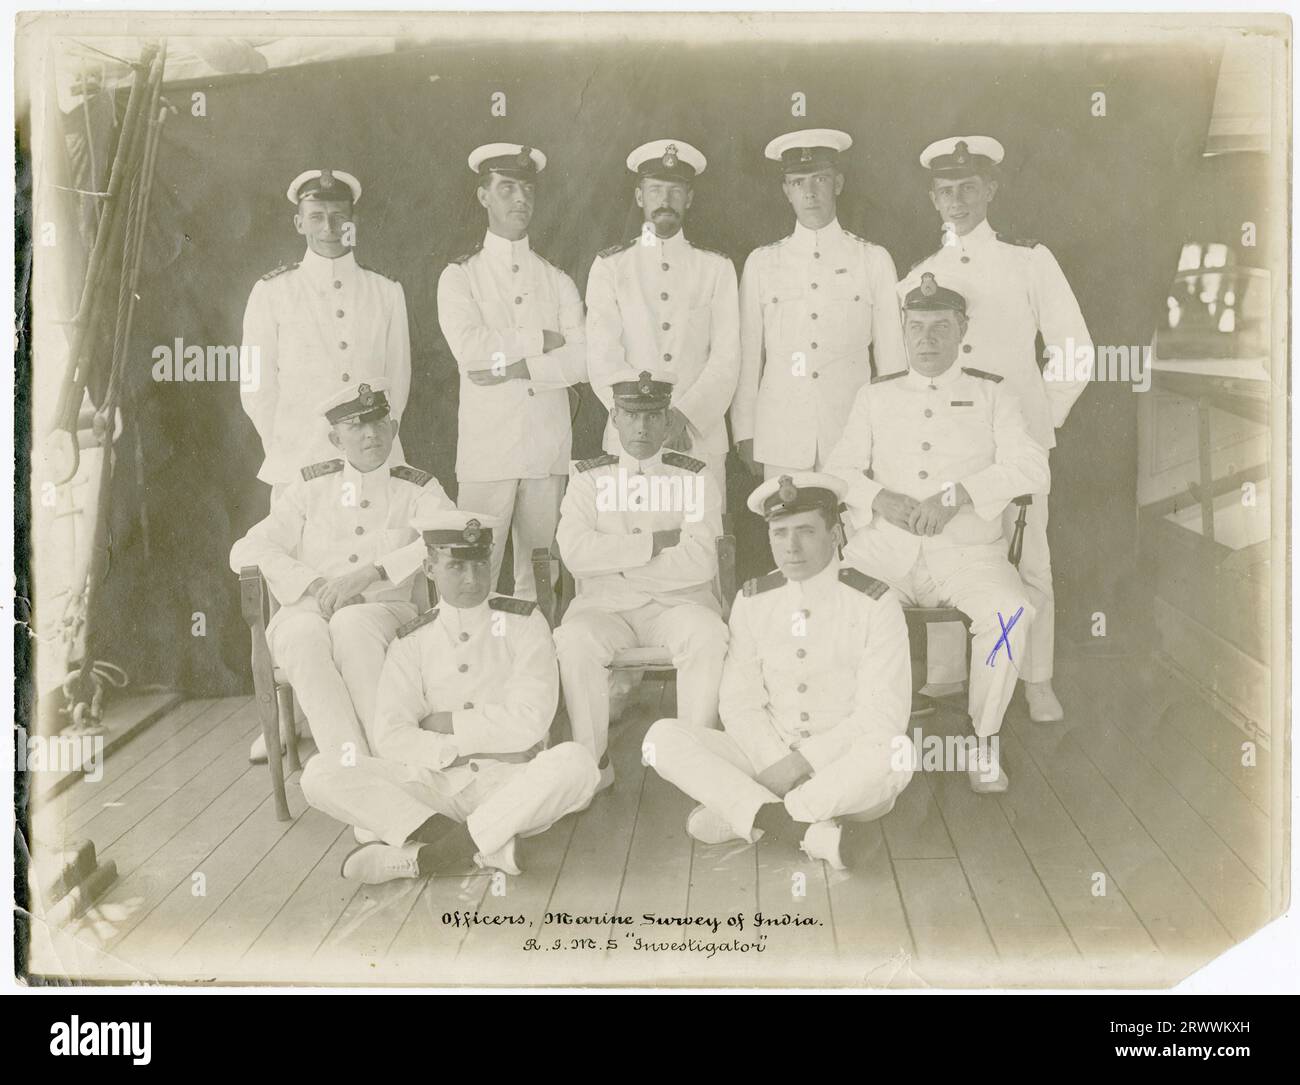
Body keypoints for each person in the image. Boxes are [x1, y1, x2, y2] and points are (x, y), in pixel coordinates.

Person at [825, 273, 1050, 792]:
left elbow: (1033, 469)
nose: (926, 340)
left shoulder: (993, 394)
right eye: (917, 327)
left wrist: (957, 497)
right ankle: (851, 737)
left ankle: (983, 740)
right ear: (903, 331)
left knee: (1010, 617)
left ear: (962, 331)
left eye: (940, 328)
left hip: (969, 556)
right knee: (826, 602)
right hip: (883, 552)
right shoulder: (875, 396)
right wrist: (880, 498)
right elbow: (838, 473)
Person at [898, 136, 1092, 722]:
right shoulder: (921, 274)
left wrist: (1040, 419)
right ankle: (952, 678)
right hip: (954, 449)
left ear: (990, 190)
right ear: (933, 198)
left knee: (1029, 562)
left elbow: (1075, 351)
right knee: (958, 556)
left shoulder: (1028, 260)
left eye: (968, 189)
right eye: (946, 191)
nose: (957, 201)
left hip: (1019, 445)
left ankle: (1036, 678)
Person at [299, 511, 599, 885]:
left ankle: (425, 858)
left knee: (577, 763)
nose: (472, 579)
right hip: (434, 785)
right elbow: (392, 738)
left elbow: (530, 721)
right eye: (456, 566)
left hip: (510, 781)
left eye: (479, 564)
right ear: (429, 567)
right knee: (319, 773)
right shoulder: (411, 641)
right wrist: (466, 751)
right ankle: (487, 845)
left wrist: (445, 724)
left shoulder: (525, 622)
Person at [645, 473, 913, 869]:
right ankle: (801, 828)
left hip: (843, 766)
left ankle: (746, 811)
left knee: (896, 753)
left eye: (805, 531)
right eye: (779, 533)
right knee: (661, 738)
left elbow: (882, 715)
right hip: (765, 758)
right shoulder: (754, 599)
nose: (791, 547)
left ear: (836, 534)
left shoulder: (875, 602)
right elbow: (739, 704)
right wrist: (776, 764)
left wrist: (800, 765)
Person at [229, 379, 453, 764]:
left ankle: (389, 760)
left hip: (382, 613)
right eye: (356, 426)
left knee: (352, 627)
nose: (370, 434)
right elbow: (246, 548)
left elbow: (449, 537)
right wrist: (314, 585)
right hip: (308, 608)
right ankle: (353, 767)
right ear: (335, 439)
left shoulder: (417, 487)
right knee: (301, 636)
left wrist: (375, 571)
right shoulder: (309, 485)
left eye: (379, 423)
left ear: (394, 429)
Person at [553, 371, 728, 791]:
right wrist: (653, 545)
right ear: (614, 418)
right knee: (574, 640)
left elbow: (701, 560)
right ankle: (592, 766)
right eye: (632, 415)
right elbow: (574, 552)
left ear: (668, 421)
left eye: (652, 416)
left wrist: (613, 562)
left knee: (707, 634)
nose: (642, 427)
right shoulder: (587, 478)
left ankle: (695, 762)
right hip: (604, 610)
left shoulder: (695, 477)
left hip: (677, 608)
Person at [437, 142, 588, 600]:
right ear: (483, 196)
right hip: (488, 449)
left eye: (526, 188)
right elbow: (470, 348)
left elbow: (582, 360)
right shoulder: (461, 276)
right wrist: (541, 340)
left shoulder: (555, 279)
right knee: (472, 569)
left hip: (546, 446)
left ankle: (535, 666)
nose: (519, 199)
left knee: (541, 576)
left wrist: (516, 366)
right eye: (506, 188)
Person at [731, 129, 907, 479]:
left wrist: (889, 431)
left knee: (856, 532)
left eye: (820, 179)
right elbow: (749, 357)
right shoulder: (763, 263)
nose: (810, 193)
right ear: (786, 191)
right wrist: (745, 432)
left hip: (853, 433)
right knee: (787, 531)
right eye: (798, 182)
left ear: (838, 183)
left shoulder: (872, 259)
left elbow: (891, 359)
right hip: (780, 434)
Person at [240, 168, 411, 497]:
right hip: (299, 458)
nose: (329, 228)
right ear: (299, 223)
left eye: (338, 217)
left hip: (372, 459)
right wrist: (285, 443)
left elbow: (398, 378)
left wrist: (374, 443)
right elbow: (254, 384)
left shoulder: (386, 290)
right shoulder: (271, 291)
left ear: (353, 221)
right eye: (316, 217)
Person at [585, 139, 739, 499]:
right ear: (640, 197)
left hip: (698, 435)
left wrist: (684, 415)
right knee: (632, 539)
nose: (665, 201)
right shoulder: (611, 266)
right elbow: (602, 353)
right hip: (630, 437)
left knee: (702, 544)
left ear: (689, 198)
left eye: (675, 191)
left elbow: (727, 356)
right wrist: (641, 420)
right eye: (656, 190)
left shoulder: (716, 267)